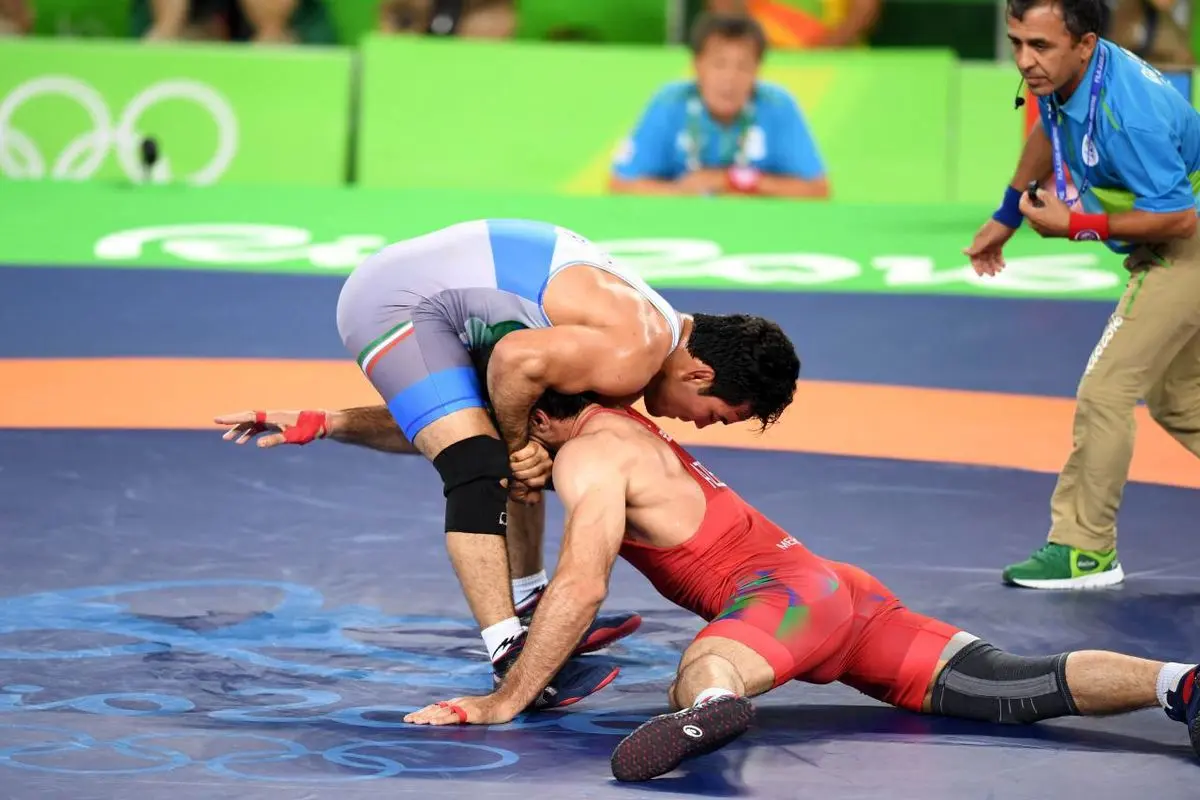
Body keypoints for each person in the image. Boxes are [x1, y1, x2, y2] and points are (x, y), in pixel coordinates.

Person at [401, 390, 1200, 782]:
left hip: (782, 602)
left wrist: (505, 699)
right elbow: (447, 432)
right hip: (837, 593)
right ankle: (1180, 684)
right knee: (1008, 682)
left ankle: (710, 707)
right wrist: (338, 422)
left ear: (540, 422)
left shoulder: (587, 456)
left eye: (516, 434)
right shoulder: (626, 420)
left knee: (702, 666)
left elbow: (582, 585)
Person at [214, 217, 801, 707]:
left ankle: (528, 599)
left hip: (440, 287)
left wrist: (332, 422)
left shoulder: (648, 329)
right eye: (716, 414)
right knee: (483, 464)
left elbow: (480, 408)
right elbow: (514, 361)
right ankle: (508, 651)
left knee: (539, 438)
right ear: (699, 374)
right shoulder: (633, 353)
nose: (701, 426)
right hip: (394, 299)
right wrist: (518, 446)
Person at [962, 0, 1200, 589]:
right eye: (1017, 42)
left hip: (1187, 243)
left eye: (1039, 46)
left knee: (1106, 388)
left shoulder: (1130, 115)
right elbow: (1052, 127)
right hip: (1173, 237)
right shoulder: (1069, 73)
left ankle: (1084, 549)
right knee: (1179, 399)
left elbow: (1180, 220)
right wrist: (1007, 214)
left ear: (1085, 43)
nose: (1025, 60)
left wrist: (1078, 226)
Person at [609, 13, 829, 199]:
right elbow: (620, 184)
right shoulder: (669, 103)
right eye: (719, 64)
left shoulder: (778, 106)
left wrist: (730, 181)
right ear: (697, 65)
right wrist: (681, 193)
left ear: (758, 70)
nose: (730, 79)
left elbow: (817, 189)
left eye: (743, 66)